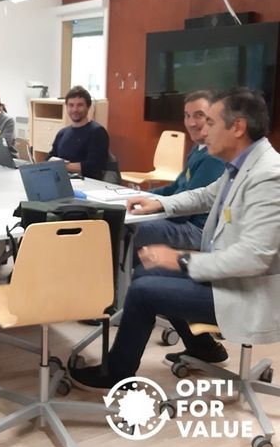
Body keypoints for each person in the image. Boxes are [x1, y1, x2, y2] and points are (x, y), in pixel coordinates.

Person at [69, 87, 280, 391]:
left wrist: (180, 258)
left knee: (144, 291)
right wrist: (162, 203)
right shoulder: (243, 164)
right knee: (149, 274)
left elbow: (254, 257)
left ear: (237, 127)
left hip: (246, 293)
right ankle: (204, 347)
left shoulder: (268, 175)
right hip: (226, 280)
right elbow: (206, 195)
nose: (202, 130)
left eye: (210, 123)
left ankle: (115, 374)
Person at [132, 90, 225, 253]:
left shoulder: (213, 157)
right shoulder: (197, 149)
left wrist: (156, 206)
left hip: (196, 231)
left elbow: (185, 213)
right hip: (182, 220)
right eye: (187, 116)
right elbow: (175, 187)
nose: (191, 123)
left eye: (199, 115)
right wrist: (144, 197)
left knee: (131, 229)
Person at [48, 86, 110, 180]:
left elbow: (93, 166)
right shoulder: (62, 133)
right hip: (62, 181)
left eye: (80, 105)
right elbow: (49, 158)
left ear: (88, 107)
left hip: (88, 183)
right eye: (71, 105)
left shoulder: (97, 132)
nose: (75, 110)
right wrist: (51, 162)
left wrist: (60, 166)